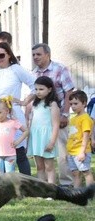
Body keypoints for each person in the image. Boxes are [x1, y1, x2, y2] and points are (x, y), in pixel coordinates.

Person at [0, 42, 35, 177]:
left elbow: (34, 84)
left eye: (1, 55)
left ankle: (26, 183)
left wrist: (24, 101)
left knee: (18, 152)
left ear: (9, 55)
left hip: (13, 117)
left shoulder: (16, 69)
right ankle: (1, 183)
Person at [31, 43, 75, 187]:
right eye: (33, 55)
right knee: (43, 155)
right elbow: (33, 95)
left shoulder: (59, 69)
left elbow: (69, 92)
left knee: (62, 152)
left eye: (38, 54)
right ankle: (45, 185)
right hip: (41, 120)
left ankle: (66, 183)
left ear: (47, 54)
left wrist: (65, 114)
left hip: (58, 115)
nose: (35, 57)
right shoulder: (34, 73)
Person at [26, 76, 60, 183]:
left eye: (41, 89)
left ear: (49, 89)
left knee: (49, 166)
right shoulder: (35, 104)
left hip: (47, 138)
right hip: (36, 138)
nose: (38, 92)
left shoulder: (52, 104)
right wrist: (29, 141)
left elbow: (55, 125)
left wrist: (52, 142)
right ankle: (41, 189)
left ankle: (51, 189)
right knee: (39, 167)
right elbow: (31, 123)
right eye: (36, 89)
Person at [0, 96, 29, 176]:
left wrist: (18, 141)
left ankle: (10, 188)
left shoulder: (13, 122)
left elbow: (26, 131)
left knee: (10, 175)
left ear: (7, 111)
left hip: (10, 154)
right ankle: (1, 188)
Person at [67, 90, 94, 188]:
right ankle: (76, 192)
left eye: (76, 103)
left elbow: (86, 136)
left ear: (84, 103)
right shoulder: (74, 118)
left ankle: (90, 192)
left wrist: (82, 151)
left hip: (81, 151)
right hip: (72, 151)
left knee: (86, 172)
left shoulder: (85, 118)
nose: (73, 106)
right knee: (75, 173)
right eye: (71, 104)